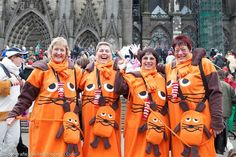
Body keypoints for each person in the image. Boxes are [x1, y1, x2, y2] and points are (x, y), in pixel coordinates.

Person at [6, 37, 83, 157]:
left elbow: (89, 87)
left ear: (67, 52)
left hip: (67, 125)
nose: (59, 53)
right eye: (56, 49)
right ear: (50, 51)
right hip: (45, 126)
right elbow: (26, 96)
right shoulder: (41, 70)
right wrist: (14, 113)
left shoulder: (75, 71)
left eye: (62, 50)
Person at [164, 35, 224, 157]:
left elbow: (215, 93)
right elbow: (151, 71)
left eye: (183, 49)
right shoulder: (169, 68)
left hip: (201, 123)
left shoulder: (204, 64)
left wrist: (217, 121)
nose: (180, 53)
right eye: (177, 50)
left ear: (190, 49)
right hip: (177, 125)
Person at [117, 48, 169, 157]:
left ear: (156, 61)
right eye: (145, 58)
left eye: (151, 58)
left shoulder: (163, 78)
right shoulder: (132, 77)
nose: (148, 61)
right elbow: (120, 89)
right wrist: (120, 70)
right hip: (137, 124)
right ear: (141, 61)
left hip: (157, 124)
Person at [78, 42, 122, 157]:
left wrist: (122, 72)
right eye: (101, 51)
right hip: (90, 117)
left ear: (111, 54)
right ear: (96, 54)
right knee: (91, 144)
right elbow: (76, 88)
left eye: (107, 51)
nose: (104, 53)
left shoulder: (117, 72)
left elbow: (126, 91)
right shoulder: (87, 72)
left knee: (110, 147)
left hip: (110, 118)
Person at [0, 48, 26, 156]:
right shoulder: (1, 69)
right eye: (20, 57)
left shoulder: (16, 72)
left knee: (12, 143)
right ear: (13, 57)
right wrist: (8, 83)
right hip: (1, 115)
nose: (22, 60)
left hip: (14, 114)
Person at [217, 70, 236, 157]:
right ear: (224, 77)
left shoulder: (214, 85)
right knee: (223, 130)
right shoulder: (229, 86)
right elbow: (234, 99)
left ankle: (225, 149)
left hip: (216, 111)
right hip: (226, 112)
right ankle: (230, 148)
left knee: (220, 132)